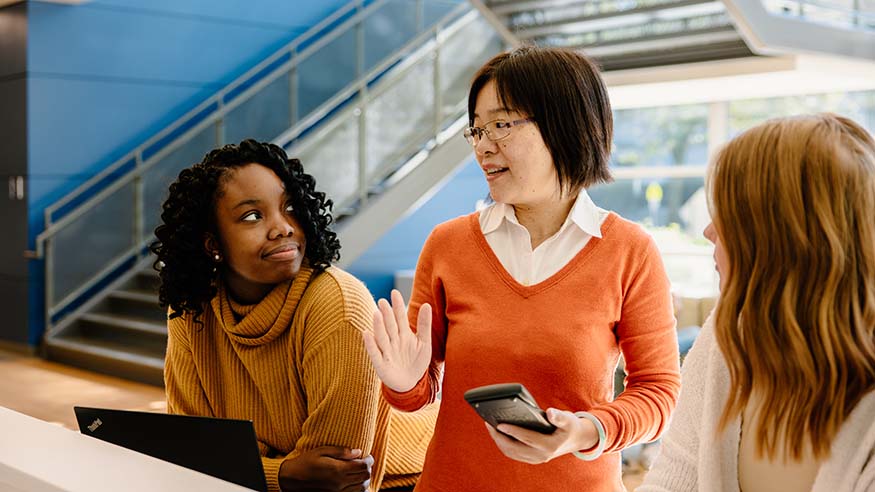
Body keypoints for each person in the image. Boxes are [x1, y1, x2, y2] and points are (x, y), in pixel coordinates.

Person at [363, 46, 682, 491]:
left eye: (501, 124)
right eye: (476, 130)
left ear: (566, 123)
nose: (483, 146)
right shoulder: (447, 245)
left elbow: (658, 393)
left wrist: (585, 430)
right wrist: (402, 381)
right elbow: (419, 393)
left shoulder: (630, 251)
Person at [150, 139, 435, 492]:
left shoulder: (338, 305)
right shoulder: (191, 311)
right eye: (252, 216)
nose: (283, 227)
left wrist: (243, 460)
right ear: (212, 244)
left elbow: (333, 480)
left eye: (289, 208)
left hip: (410, 477)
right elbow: (192, 452)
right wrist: (283, 472)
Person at [639, 114, 875, 492]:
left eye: (730, 215)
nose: (709, 230)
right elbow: (670, 482)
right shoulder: (725, 336)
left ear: (782, 237)